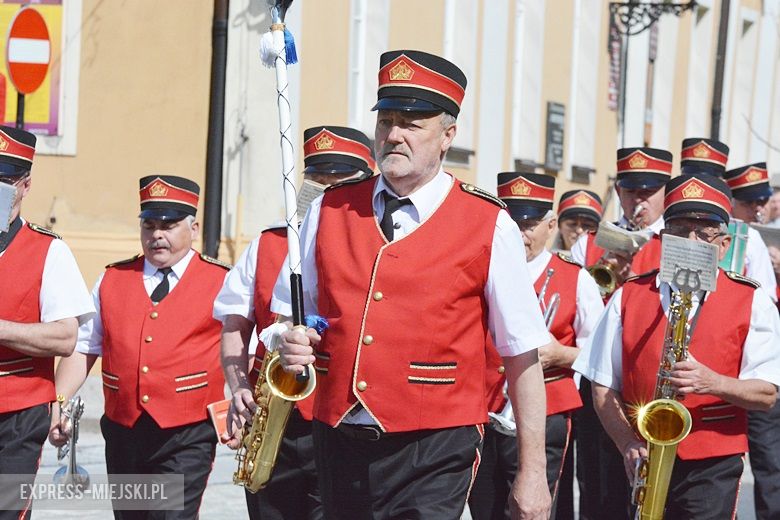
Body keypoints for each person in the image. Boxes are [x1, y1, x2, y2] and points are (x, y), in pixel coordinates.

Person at [272, 50, 552, 519]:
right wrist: (290, 339)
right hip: (338, 435)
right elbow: (288, 313)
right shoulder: (329, 209)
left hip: (435, 445)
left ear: (447, 136)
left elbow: (522, 352)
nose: (394, 134)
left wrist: (533, 473)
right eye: (387, 121)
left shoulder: (488, 223)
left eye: (413, 122)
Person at [573, 173, 780, 519]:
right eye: (681, 232)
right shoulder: (629, 294)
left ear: (724, 245)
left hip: (711, 464)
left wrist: (713, 382)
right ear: (665, 238)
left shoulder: (752, 299)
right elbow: (602, 384)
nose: (692, 243)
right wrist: (627, 443)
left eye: (704, 235)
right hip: (641, 455)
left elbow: (767, 394)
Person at [216, 125, 375, 520]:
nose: (324, 190)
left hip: (342, 419)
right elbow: (235, 324)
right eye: (316, 180)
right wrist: (237, 387)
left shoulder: (377, 249)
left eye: (339, 182)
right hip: (275, 421)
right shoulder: (268, 243)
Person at [49, 176, 229, 519]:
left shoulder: (221, 280)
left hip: (186, 432)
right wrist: (58, 403)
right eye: (149, 225)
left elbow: (242, 349)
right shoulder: (113, 278)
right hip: (124, 429)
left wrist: (238, 406)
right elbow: (84, 345)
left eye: (169, 225)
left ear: (193, 228)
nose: (157, 235)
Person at [469, 173, 604, 520]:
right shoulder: (482, 268)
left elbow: (602, 357)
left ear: (550, 224)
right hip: (483, 410)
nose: (521, 234)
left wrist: (561, 354)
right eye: (513, 223)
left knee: (534, 509)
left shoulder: (577, 278)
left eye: (530, 225)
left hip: (546, 412)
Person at [0, 126, 94, 519]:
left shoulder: (49, 250)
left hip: (18, 412)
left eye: (5, 180)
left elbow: (66, 336)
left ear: (25, 185)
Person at [724, 162, 780, 520]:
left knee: (769, 458)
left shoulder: (759, 238)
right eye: (748, 202)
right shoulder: (731, 232)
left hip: (760, 358)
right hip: (726, 354)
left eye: (762, 200)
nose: (758, 209)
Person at [571, 147, 672, 288]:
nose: (637, 200)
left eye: (647, 192)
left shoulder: (675, 245)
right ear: (618, 192)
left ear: (667, 193)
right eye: (630, 191)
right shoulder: (587, 243)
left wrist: (629, 278)